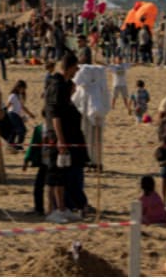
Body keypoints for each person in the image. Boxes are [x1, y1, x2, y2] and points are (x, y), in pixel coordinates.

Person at [44, 52, 89, 220]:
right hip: (57, 137)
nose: (77, 71)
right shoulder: (57, 86)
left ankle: (61, 208)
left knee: (60, 173)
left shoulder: (62, 84)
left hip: (64, 135)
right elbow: (55, 115)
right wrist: (60, 140)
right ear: (70, 67)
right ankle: (54, 210)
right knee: (55, 174)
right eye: (76, 68)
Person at [72, 50, 113, 170]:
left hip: (86, 105)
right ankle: (97, 161)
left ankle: (90, 160)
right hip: (99, 104)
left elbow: (76, 84)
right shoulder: (100, 71)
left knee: (87, 134)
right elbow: (105, 89)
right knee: (98, 136)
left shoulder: (83, 70)